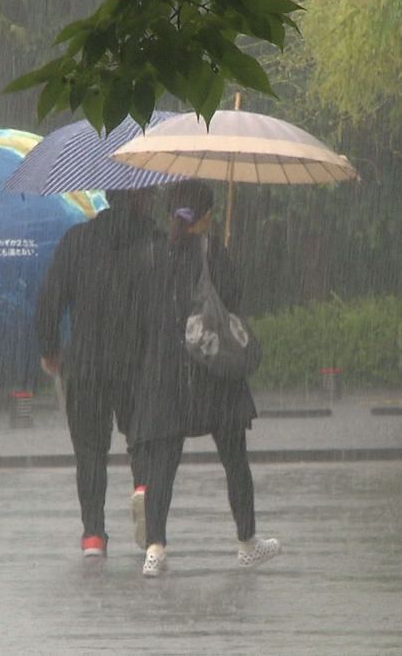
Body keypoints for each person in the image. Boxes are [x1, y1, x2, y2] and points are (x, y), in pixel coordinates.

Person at [129, 181, 281, 578]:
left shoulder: (150, 255)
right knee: (235, 461)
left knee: (162, 465)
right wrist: (220, 254)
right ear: (208, 216)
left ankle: (155, 549)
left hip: (166, 375)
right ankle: (247, 542)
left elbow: (140, 314)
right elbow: (233, 301)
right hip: (213, 373)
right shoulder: (213, 252)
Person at [35, 187, 161, 559]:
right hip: (139, 363)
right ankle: (144, 493)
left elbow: (49, 299)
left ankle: (93, 534)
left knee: (90, 451)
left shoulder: (77, 240)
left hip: (86, 363)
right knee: (143, 440)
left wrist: (50, 350)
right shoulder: (155, 244)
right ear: (142, 199)